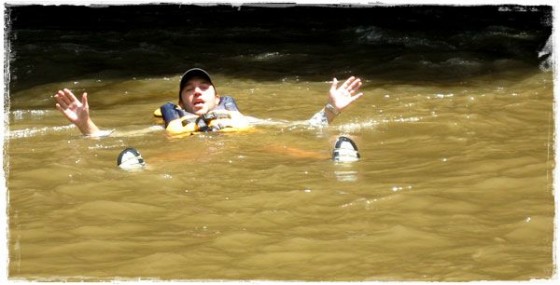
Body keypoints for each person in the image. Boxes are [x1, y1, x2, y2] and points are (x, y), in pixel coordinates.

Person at [54, 68, 364, 166]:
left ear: (218, 97)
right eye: (189, 89)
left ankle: (334, 160)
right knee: (155, 159)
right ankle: (140, 171)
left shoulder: (238, 118)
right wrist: (84, 123)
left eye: (204, 87)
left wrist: (331, 109)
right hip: (184, 157)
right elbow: (109, 140)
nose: (197, 93)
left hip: (244, 151)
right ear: (180, 101)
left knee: (283, 149)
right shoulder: (174, 124)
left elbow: (302, 127)